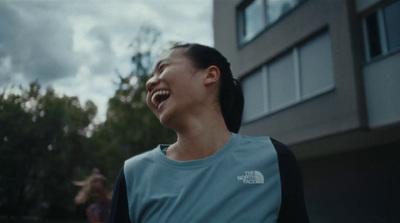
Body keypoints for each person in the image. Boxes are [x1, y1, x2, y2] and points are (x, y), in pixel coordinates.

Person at [109, 43, 309, 223]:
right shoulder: (133, 174)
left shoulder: (274, 159)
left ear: (210, 75)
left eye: (162, 68)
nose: (149, 83)